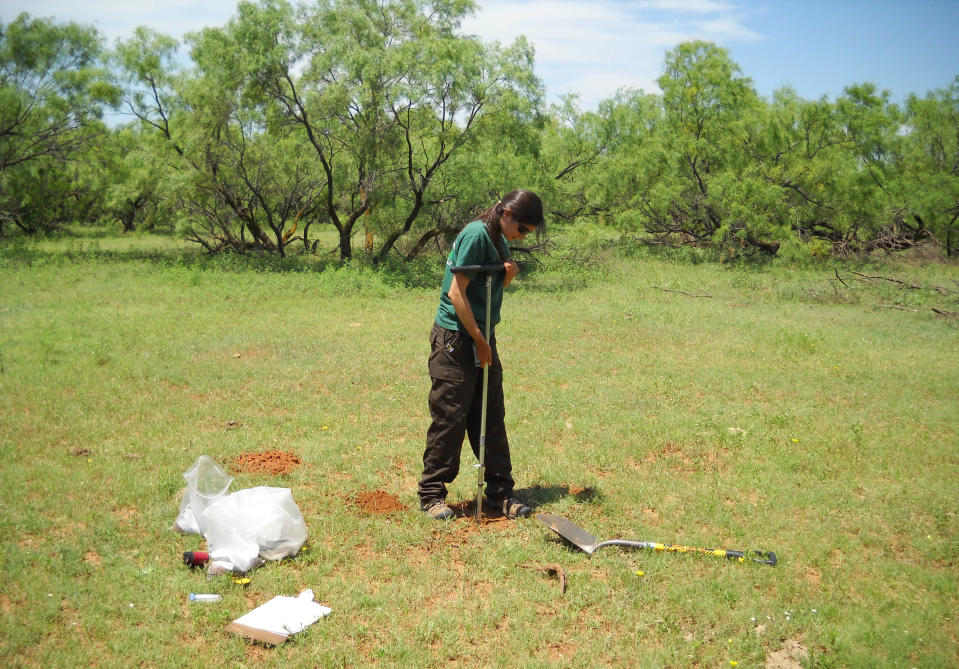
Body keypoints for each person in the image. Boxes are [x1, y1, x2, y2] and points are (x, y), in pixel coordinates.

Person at [418, 189, 545, 520]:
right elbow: (455, 292)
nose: (522, 236)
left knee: (490, 414)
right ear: (506, 214)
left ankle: (499, 494)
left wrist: (507, 278)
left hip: (481, 335)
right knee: (450, 416)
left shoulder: (498, 236)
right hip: (456, 338)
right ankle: (432, 494)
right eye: (523, 229)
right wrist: (478, 339)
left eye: (528, 233)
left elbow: (484, 291)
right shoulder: (476, 234)